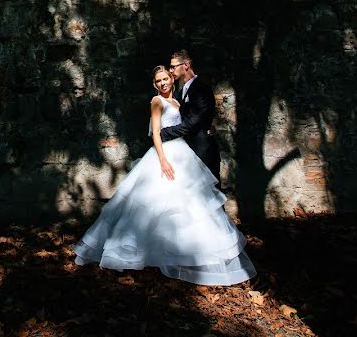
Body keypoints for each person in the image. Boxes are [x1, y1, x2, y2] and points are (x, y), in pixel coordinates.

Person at [73, 66, 256, 285]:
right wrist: (162, 160)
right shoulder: (156, 102)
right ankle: (138, 251)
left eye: (165, 79)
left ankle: (186, 251)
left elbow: (191, 122)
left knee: (187, 204)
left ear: (172, 79)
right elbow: (156, 133)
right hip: (164, 154)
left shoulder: (177, 102)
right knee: (153, 203)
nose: (163, 83)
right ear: (155, 84)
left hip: (183, 154)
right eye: (158, 81)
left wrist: (209, 129)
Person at [161, 49, 221, 188]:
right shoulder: (182, 91)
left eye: (173, 66)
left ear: (186, 65)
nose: (171, 70)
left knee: (211, 197)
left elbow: (191, 123)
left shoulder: (201, 89)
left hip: (204, 152)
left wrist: (164, 133)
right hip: (189, 152)